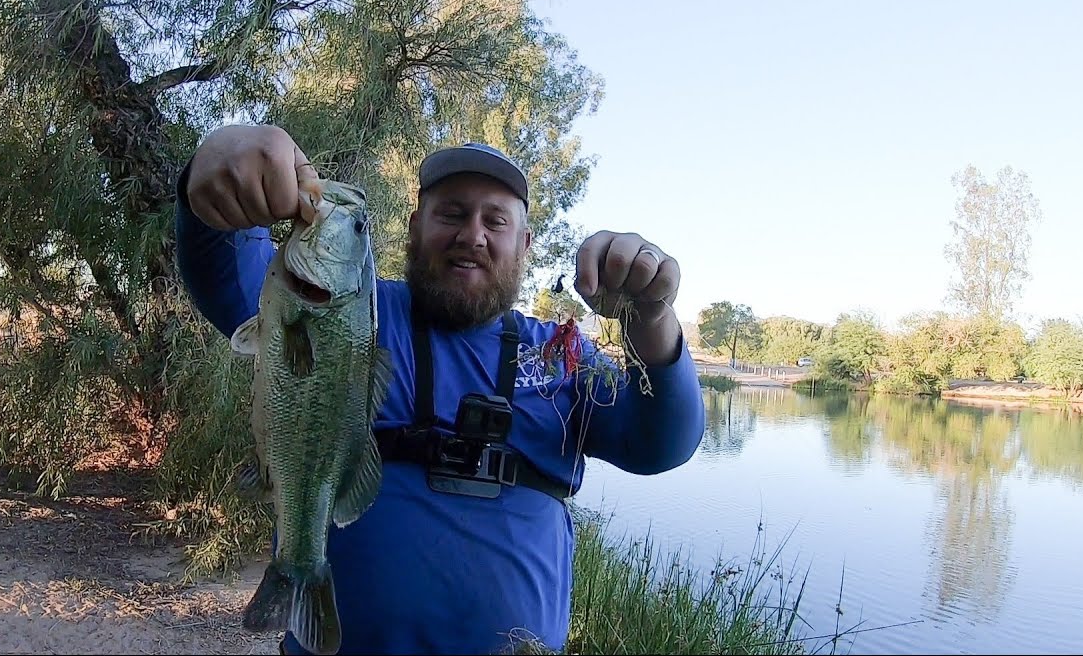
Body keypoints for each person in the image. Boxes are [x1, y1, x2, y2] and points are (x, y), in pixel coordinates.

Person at [173, 123, 707, 656]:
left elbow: (662, 443)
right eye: (450, 213)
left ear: (525, 244)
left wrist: (652, 315)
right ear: (414, 229)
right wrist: (216, 170)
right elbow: (224, 272)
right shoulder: (355, 313)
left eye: (495, 220)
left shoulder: (562, 357)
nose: (471, 234)